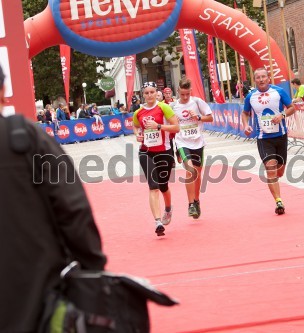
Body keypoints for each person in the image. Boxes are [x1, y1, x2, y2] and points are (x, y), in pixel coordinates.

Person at [0, 64, 107, 332]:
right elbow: (74, 210)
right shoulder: (25, 138)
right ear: (3, 91)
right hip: (34, 292)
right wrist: (93, 271)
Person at [242, 68, 296, 215]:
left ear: (268, 78)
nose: (261, 79)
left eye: (263, 77)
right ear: (255, 80)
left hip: (281, 136)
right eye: (258, 77)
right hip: (263, 138)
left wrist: (282, 115)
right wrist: (246, 125)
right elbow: (245, 113)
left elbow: (292, 108)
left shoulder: (278, 92)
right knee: (270, 168)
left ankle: (275, 183)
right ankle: (278, 200)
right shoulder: (250, 97)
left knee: (280, 170)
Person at [133, 82, 180, 236]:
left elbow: (176, 127)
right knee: (153, 186)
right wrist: (137, 135)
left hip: (164, 151)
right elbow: (135, 126)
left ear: (156, 93)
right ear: (143, 95)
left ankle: (168, 208)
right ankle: (158, 222)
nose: (149, 95)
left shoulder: (163, 107)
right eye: (146, 93)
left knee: (163, 186)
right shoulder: (138, 112)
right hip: (146, 151)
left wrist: (158, 126)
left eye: (152, 92)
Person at [171, 78, 213, 219]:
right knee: (190, 171)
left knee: (197, 174)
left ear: (190, 92)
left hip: (198, 142)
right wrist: (174, 149)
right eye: (182, 94)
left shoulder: (196, 102)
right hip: (182, 142)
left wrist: (199, 117)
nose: (184, 97)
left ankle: (196, 200)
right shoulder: (173, 106)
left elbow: (210, 118)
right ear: (178, 91)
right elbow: (170, 128)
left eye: (187, 94)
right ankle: (190, 205)